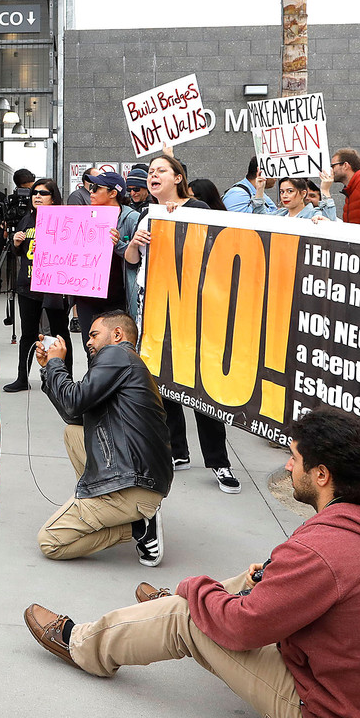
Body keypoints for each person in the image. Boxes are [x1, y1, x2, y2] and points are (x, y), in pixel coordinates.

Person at [22, 408, 360, 718]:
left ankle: (81, 645)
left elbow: (243, 628)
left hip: (331, 709)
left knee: (186, 616)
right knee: (258, 576)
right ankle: (185, 607)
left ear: (322, 475)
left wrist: (193, 589)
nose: (288, 466)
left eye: (295, 459)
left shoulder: (323, 551)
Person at [127, 153, 240, 493]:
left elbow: (215, 250)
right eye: (150, 171)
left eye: (161, 170)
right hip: (154, 308)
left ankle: (219, 462)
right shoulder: (147, 214)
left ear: (178, 178)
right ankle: (178, 450)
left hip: (192, 311)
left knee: (199, 386)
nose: (153, 175)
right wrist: (134, 243)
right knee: (163, 383)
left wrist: (184, 220)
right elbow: (132, 260)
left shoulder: (198, 208)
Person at [36, 310, 172, 564]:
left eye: (94, 335)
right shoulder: (124, 362)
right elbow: (74, 415)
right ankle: (123, 511)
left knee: (50, 542)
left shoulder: (116, 354)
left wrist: (56, 363)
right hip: (142, 477)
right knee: (73, 433)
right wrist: (48, 370)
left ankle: (136, 527)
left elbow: (73, 403)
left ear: (117, 334)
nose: (88, 342)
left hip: (133, 484)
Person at [7, 178, 73, 391]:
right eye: (35, 192)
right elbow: (19, 252)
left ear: (53, 198)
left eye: (43, 193)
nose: (37, 196)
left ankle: (66, 380)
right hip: (28, 286)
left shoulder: (63, 220)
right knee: (28, 334)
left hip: (54, 287)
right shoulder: (26, 220)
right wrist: (16, 243)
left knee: (59, 334)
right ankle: (22, 378)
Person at [72, 170, 136, 349]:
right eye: (90, 187)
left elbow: (138, 259)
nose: (90, 192)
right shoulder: (84, 216)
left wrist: (120, 245)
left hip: (115, 297)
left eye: (95, 188)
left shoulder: (131, 218)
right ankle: (93, 378)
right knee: (90, 347)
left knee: (114, 348)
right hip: (86, 295)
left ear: (113, 193)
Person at [270, 173, 339, 221]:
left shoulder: (314, 214)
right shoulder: (279, 214)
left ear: (303, 194)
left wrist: (325, 190)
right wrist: (260, 190)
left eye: (290, 191)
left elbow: (330, 223)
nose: (284, 196)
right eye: (282, 192)